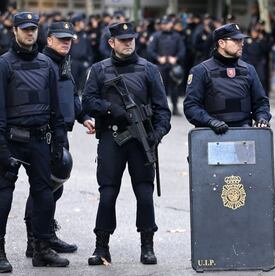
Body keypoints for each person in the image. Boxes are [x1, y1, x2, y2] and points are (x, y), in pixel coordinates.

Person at [0, 12, 69, 272]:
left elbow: (56, 108)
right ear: (15, 31)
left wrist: (58, 142)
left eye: (33, 29)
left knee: (45, 194)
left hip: (40, 140)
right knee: (3, 194)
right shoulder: (2, 65)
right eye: (25, 29)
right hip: (11, 140)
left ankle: (41, 248)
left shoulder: (46, 64)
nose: (30, 33)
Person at [82, 22, 171, 265]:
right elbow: (87, 101)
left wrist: (158, 134)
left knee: (144, 194)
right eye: (123, 40)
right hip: (113, 137)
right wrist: (111, 109)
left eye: (131, 38)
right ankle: (101, 247)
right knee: (108, 193)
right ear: (111, 42)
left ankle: (147, 246)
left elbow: (163, 110)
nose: (128, 43)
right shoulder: (99, 70)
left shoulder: (149, 69)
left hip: (142, 140)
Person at [24, 21, 95, 257]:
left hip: (61, 132)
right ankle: (34, 240)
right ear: (49, 39)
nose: (66, 43)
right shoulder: (42, 63)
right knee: (42, 188)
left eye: (69, 39)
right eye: (61, 38)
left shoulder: (64, 62)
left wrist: (82, 115)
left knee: (55, 188)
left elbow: (71, 94)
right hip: (45, 133)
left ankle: (46, 234)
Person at [183, 23, 271, 133]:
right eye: (236, 40)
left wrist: (262, 118)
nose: (241, 44)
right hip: (212, 135)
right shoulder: (201, 71)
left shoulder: (249, 70)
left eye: (242, 40)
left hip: (244, 135)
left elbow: (261, 102)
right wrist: (210, 121)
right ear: (221, 43)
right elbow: (191, 107)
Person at [147, 16, 186, 116]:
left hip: (173, 66)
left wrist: (176, 58)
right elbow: (150, 50)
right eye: (162, 24)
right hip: (160, 65)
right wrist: (158, 58)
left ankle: (175, 108)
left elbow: (182, 50)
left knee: (174, 88)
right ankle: (158, 109)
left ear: (170, 24)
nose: (163, 25)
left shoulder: (177, 36)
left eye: (166, 23)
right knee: (159, 88)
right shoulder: (156, 35)